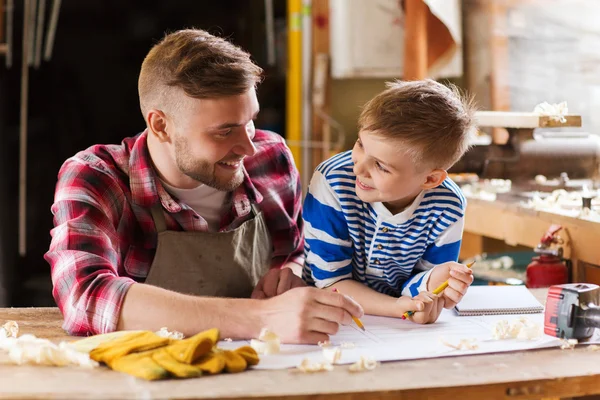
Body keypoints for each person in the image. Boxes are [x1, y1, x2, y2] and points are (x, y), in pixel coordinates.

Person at [45, 28, 362, 343]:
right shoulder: (97, 176)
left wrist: (289, 276)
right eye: (225, 132)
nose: (248, 147)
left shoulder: (271, 157)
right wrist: (262, 319)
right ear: (161, 125)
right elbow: (85, 297)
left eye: (249, 122)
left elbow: (294, 253)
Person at [302, 79, 476, 324]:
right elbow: (329, 284)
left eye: (381, 167)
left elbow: (421, 285)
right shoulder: (332, 181)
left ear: (430, 179)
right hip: (330, 315)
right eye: (361, 144)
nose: (359, 169)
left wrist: (435, 285)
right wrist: (397, 307)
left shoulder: (448, 206)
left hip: (393, 325)